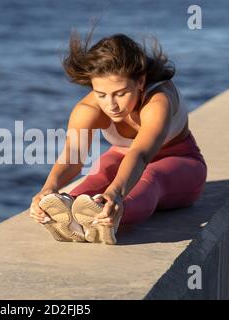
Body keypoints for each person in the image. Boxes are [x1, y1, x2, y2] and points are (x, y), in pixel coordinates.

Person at [29, 30, 207, 245]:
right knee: (101, 169)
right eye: (101, 94)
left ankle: (109, 216)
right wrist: (49, 189)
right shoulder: (88, 109)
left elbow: (140, 155)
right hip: (122, 158)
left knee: (150, 176)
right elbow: (73, 157)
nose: (111, 105)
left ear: (140, 81)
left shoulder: (158, 101)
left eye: (120, 93)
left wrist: (115, 193)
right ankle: (71, 212)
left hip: (180, 164)